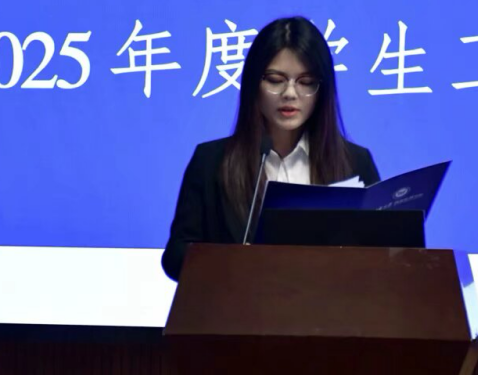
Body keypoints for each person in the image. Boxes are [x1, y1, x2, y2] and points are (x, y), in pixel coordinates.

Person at [161, 16, 379, 281]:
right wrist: (235, 262)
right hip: (239, 305)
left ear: (322, 90)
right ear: (254, 84)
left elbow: (381, 253)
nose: (290, 93)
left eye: (306, 82)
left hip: (327, 305)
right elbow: (175, 258)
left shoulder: (356, 162)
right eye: (276, 80)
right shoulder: (210, 161)